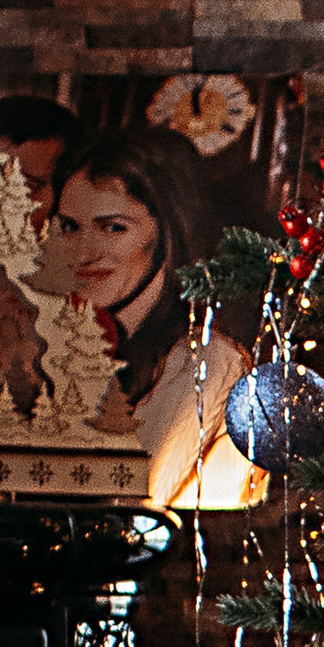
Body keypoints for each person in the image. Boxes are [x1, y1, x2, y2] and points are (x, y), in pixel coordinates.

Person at [51, 125, 259, 509]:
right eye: (69, 227)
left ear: (168, 231)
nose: (83, 253)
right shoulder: (68, 340)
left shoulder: (206, 358)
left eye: (113, 228)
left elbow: (130, 495)